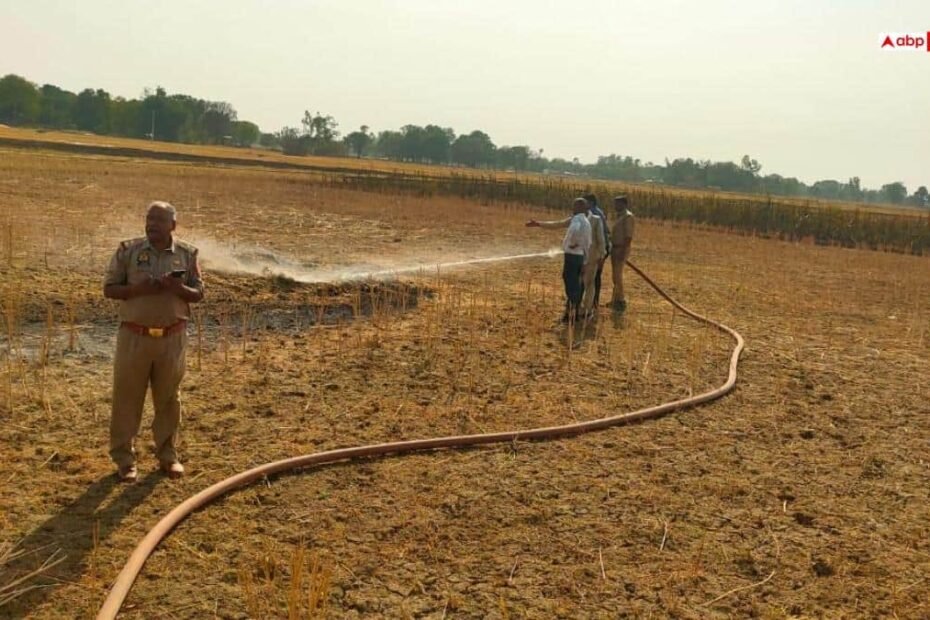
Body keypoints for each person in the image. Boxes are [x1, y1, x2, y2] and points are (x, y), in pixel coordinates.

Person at [103, 201, 204, 482]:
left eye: (159, 220)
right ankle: (124, 459)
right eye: (149, 219)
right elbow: (109, 289)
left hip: (172, 340)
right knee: (127, 399)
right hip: (134, 337)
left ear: (173, 225)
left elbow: (198, 294)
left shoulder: (187, 254)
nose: (152, 225)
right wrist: (137, 290)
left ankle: (168, 456)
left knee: (169, 399)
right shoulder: (128, 251)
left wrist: (178, 288)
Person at [526, 198, 592, 322]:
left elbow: (575, 230)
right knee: (576, 283)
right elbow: (587, 243)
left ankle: (573, 313)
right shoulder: (586, 222)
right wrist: (539, 223)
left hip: (572, 256)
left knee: (570, 282)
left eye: (575, 206)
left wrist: (573, 242)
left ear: (580, 208)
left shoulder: (577, 220)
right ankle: (573, 312)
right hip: (580, 257)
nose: (573, 208)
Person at [582, 193, 611, 307]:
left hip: (599, 249)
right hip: (601, 247)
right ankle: (593, 301)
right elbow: (607, 230)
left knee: (593, 276)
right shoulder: (599, 211)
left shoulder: (594, 214)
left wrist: (602, 253)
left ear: (591, 203)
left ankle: (592, 302)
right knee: (595, 276)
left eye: (585, 202)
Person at [609, 195, 635, 312]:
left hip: (621, 249)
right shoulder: (619, 216)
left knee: (618, 276)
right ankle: (615, 299)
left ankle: (621, 301)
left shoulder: (628, 217)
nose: (615, 206)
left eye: (617, 204)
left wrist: (623, 252)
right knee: (615, 276)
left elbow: (628, 237)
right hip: (615, 248)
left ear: (624, 204)